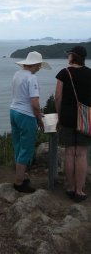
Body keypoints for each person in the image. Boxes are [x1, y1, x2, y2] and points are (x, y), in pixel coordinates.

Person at [10, 51, 51, 193]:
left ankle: (20, 175)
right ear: (35, 64)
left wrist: (37, 113)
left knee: (18, 145)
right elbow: (34, 103)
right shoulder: (32, 78)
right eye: (39, 65)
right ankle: (19, 183)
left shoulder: (17, 74)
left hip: (14, 112)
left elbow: (20, 96)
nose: (40, 68)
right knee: (26, 147)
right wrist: (39, 118)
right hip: (26, 115)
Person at [55, 45, 91, 203]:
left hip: (67, 117)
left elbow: (57, 97)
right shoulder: (90, 73)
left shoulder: (64, 73)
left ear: (73, 56)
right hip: (85, 117)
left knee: (69, 153)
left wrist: (58, 115)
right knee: (82, 154)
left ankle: (69, 187)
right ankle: (79, 190)